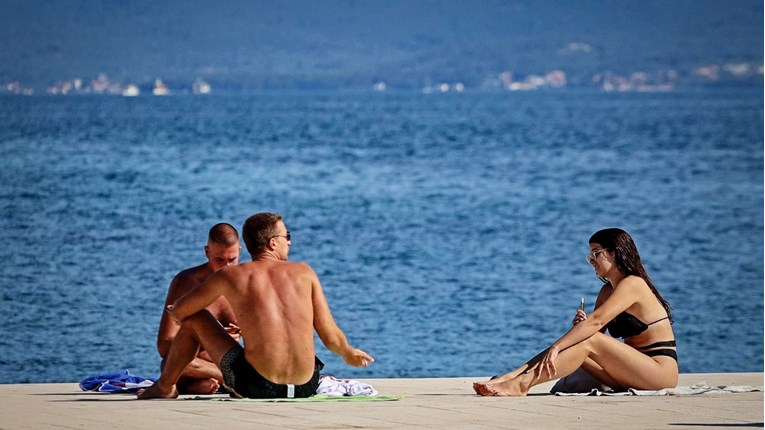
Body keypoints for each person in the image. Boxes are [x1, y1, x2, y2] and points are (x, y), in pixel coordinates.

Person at [139, 212, 374, 399]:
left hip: (258, 386)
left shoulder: (231, 276)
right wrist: (348, 353)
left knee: (195, 317)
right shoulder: (305, 272)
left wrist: (194, 322)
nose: (289, 242)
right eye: (287, 236)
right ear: (273, 243)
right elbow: (329, 335)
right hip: (306, 385)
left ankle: (165, 387)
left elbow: (180, 311)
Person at [473, 228, 677, 396]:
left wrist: (557, 345)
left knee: (582, 342)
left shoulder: (633, 284)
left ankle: (521, 384)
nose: (592, 261)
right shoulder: (607, 291)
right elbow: (595, 332)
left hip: (659, 372)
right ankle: (512, 377)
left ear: (614, 253)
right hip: (631, 373)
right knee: (580, 343)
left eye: (596, 254)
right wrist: (581, 326)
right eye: (590, 256)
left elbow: (596, 324)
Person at [156, 223, 241, 394]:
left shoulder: (247, 284)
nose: (226, 267)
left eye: (232, 260)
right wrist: (207, 338)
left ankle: (214, 383)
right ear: (207, 252)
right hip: (197, 367)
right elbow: (164, 346)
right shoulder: (186, 283)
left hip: (232, 364)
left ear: (239, 250)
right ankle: (223, 380)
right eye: (220, 260)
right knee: (169, 364)